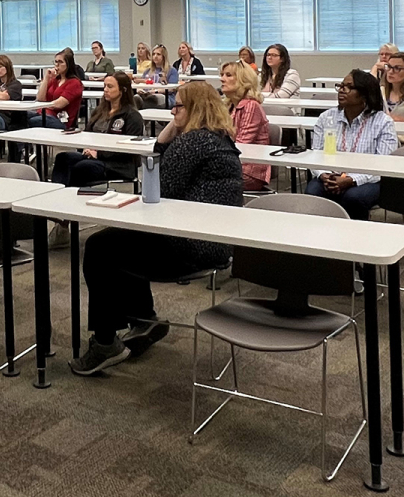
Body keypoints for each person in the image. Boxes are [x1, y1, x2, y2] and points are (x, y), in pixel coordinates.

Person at [70, 82, 243, 376]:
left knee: (101, 246)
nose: (172, 111)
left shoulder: (193, 143)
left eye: (179, 106)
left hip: (191, 246)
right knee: (122, 237)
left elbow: (158, 187)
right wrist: (172, 130)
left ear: (196, 110)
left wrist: (170, 137)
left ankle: (105, 342)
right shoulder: (219, 139)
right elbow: (163, 165)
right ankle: (143, 318)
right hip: (213, 241)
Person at [47, 72, 145, 248]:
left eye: (110, 87)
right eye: (105, 86)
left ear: (122, 90)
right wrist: (85, 146)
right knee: (63, 158)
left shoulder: (132, 116)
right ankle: (59, 206)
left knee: (81, 168)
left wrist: (98, 154)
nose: (105, 90)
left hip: (117, 164)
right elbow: (87, 134)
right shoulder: (100, 111)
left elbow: (129, 150)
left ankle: (65, 220)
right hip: (92, 156)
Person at [304, 70, 398, 220]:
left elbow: (383, 165)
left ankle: (355, 238)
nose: (342, 90)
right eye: (340, 86)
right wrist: (324, 175)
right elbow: (316, 154)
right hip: (332, 175)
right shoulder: (326, 117)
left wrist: (352, 180)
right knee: (313, 191)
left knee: (353, 197)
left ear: (365, 95)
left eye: (349, 87)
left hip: (369, 178)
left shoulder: (383, 122)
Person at [220, 62, 270, 191]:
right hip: (232, 162)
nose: (222, 79)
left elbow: (241, 144)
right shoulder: (229, 105)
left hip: (249, 170)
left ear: (243, 80)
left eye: (228, 75)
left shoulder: (251, 106)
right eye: (222, 75)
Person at [29, 48, 84, 129]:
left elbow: (58, 104)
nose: (57, 65)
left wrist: (44, 106)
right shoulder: (55, 80)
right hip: (43, 113)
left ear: (68, 64)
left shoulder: (74, 83)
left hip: (60, 120)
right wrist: (47, 78)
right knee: (20, 115)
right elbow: (40, 98)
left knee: (32, 121)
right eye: (56, 62)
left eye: (60, 62)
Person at [139, 44, 180, 108]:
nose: (155, 56)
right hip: (147, 95)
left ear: (163, 56)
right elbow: (142, 84)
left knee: (153, 99)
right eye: (153, 54)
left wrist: (155, 91)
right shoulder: (147, 71)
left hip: (165, 97)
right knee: (136, 98)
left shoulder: (172, 71)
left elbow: (172, 89)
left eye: (158, 54)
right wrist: (140, 89)